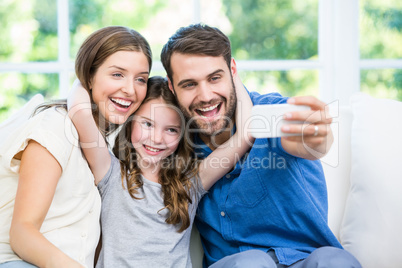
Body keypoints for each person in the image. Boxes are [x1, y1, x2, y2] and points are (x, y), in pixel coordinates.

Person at [160, 23, 362, 268]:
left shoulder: (274, 114)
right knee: (252, 263)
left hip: (306, 260)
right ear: (172, 86)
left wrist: (315, 139)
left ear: (232, 70)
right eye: (189, 84)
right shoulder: (171, 142)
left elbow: (310, 144)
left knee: (334, 260)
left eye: (215, 78)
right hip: (238, 265)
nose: (205, 95)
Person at [0, 26, 152, 268]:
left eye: (141, 79)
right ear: (89, 77)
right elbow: (22, 233)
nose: (130, 89)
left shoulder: (99, 147)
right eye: (117, 74)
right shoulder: (55, 126)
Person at [67, 74, 253, 267]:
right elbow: (80, 111)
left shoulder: (190, 183)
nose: (157, 138)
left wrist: (232, 75)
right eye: (147, 124)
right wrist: (89, 73)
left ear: (182, 135)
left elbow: (246, 135)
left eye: (171, 130)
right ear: (130, 122)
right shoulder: (111, 172)